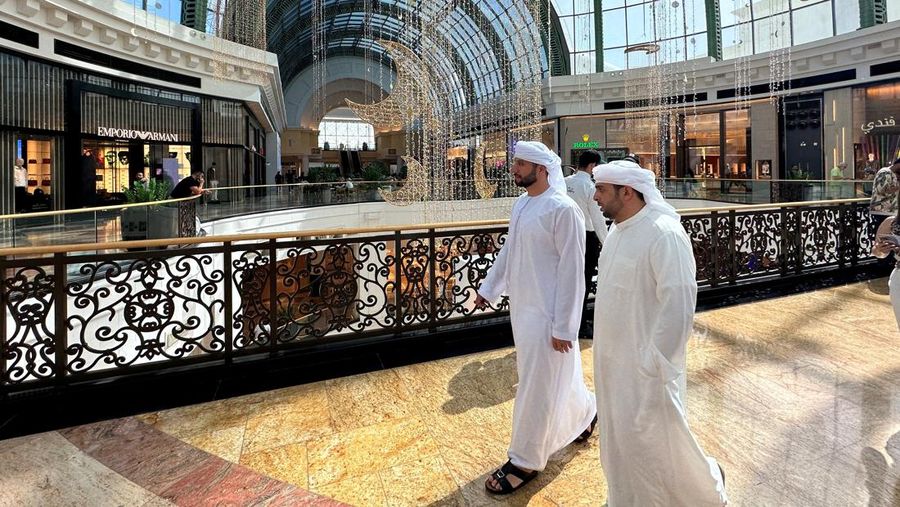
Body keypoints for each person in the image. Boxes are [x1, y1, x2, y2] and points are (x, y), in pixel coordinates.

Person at [591, 158, 728, 506]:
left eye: (601, 189)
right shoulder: (618, 232)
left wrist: (654, 364)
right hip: (614, 367)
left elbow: (679, 303)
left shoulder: (663, 233)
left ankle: (704, 492)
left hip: (646, 371)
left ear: (627, 191)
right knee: (622, 441)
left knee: (657, 444)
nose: (595, 197)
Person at [475, 141, 596, 495]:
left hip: (549, 316)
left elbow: (574, 273)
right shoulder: (523, 204)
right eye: (515, 163)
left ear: (541, 169)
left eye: (520, 164)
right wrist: (489, 288)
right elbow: (510, 251)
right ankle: (587, 415)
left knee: (537, 386)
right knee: (558, 373)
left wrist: (564, 327)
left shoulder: (564, 210)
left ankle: (525, 460)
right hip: (524, 311)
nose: (513, 169)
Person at [565, 149, 607, 339]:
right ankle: (580, 325)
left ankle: (566, 322)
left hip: (565, 236)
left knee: (567, 281)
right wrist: (607, 243)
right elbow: (597, 220)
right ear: (592, 166)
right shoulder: (590, 188)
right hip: (585, 238)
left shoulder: (565, 183)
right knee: (583, 282)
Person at [869, 158, 900, 248]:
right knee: (883, 239)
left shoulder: (892, 174)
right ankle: (883, 258)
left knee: (891, 239)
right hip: (882, 211)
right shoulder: (885, 172)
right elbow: (882, 190)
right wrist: (898, 187)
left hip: (888, 211)